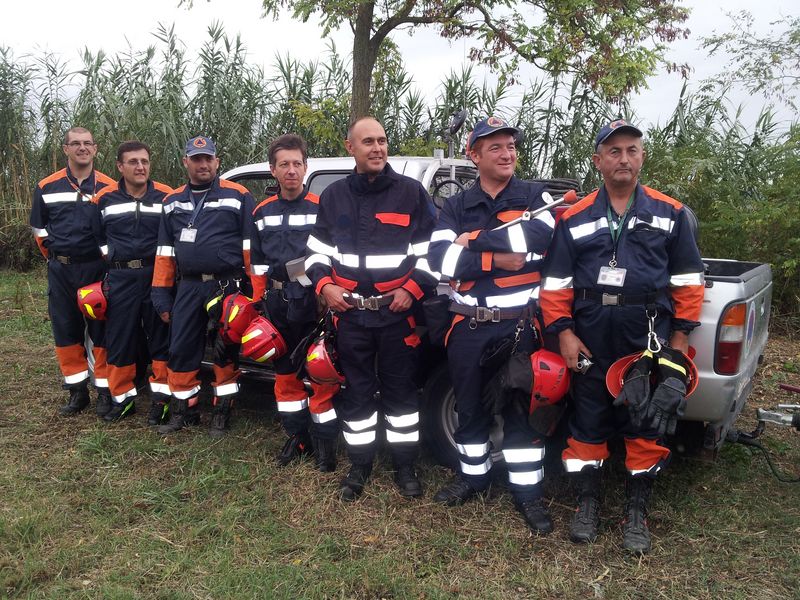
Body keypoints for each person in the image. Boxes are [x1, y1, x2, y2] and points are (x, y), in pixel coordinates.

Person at [540, 119, 705, 553]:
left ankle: (636, 511)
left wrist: (679, 343)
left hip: (645, 337)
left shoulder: (671, 213)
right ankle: (587, 504)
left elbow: (688, 282)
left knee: (645, 423)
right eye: (614, 151)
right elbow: (555, 285)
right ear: (598, 161)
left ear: (642, 157)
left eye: (632, 150)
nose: (624, 159)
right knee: (587, 419)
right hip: (590, 335)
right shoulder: (574, 217)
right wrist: (564, 333)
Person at [427, 116, 556, 534]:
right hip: (468, 327)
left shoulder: (535, 196)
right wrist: (494, 258)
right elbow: (440, 259)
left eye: (511, 146)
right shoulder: (456, 205)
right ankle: (473, 477)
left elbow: (540, 240)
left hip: (521, 328)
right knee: (469, 407)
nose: (507, 154)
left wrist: (472, 241)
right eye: (496, 147)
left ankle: (528, 494)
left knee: (522, 410)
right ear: (474, 155)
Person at [304, 117, 438, 500]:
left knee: (401, 395)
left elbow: (434, 253)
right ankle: (359, 465)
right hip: (350, 317)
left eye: (382, 140)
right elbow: (316, 254)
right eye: (368, 142)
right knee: (358, 393)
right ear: (351, 147)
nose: (377, 148)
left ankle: (405, 466)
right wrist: (325, 286)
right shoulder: (333, 197)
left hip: (397, 315)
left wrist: (412, 289)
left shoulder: (411, 194)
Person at [151, 136, 260, 437]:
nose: (203, 164)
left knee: (225, 349)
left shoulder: (238, 195)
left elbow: (251, 249)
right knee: (180, 348)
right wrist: (161, 294)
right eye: (197, 159)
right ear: (185, 162)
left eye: (208, 158)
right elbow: (164, 253)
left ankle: (222, 413)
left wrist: (255, 293)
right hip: (188, 286)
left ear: (217, 161)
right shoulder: (171, 201)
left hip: (226, 285)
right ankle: (184, 412)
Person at [250, 134, 340, 471]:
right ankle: (297, 437)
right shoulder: (261, 212)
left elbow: (332, 257)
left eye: (297, 164)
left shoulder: (321, 208)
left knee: (321, 372)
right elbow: (256, 265)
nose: (291, 170)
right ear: (273, 170)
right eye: (284, 164)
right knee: (285, 373)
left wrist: (326, 295)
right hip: (276, 303)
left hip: (313, 302)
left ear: (305, 167)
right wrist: (259, 302)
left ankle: (325, 443)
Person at [30, 126, 115, 417]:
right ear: (65, 149)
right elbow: (39, 230)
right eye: (76, 143)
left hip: (96, 269)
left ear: (95, 148)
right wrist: (58, 258)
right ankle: (77, 392)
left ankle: (104, 391)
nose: (82, 148)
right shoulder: (46, 186)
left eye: (87, 143)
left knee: (101, 330)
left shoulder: (108, 187)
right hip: (62, 270)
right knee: (66, 330)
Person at [90, 141, 173, 424]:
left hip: (156, 277)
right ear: (120, 166)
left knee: (160, 337)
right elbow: (97, 237)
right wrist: (113, 258)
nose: (140, 167)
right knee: (119, 338)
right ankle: (123, 399)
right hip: (121, 278)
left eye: (144, 161)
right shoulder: (104, 198)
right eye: (133, 162)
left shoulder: (166, 197)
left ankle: (161, 400)